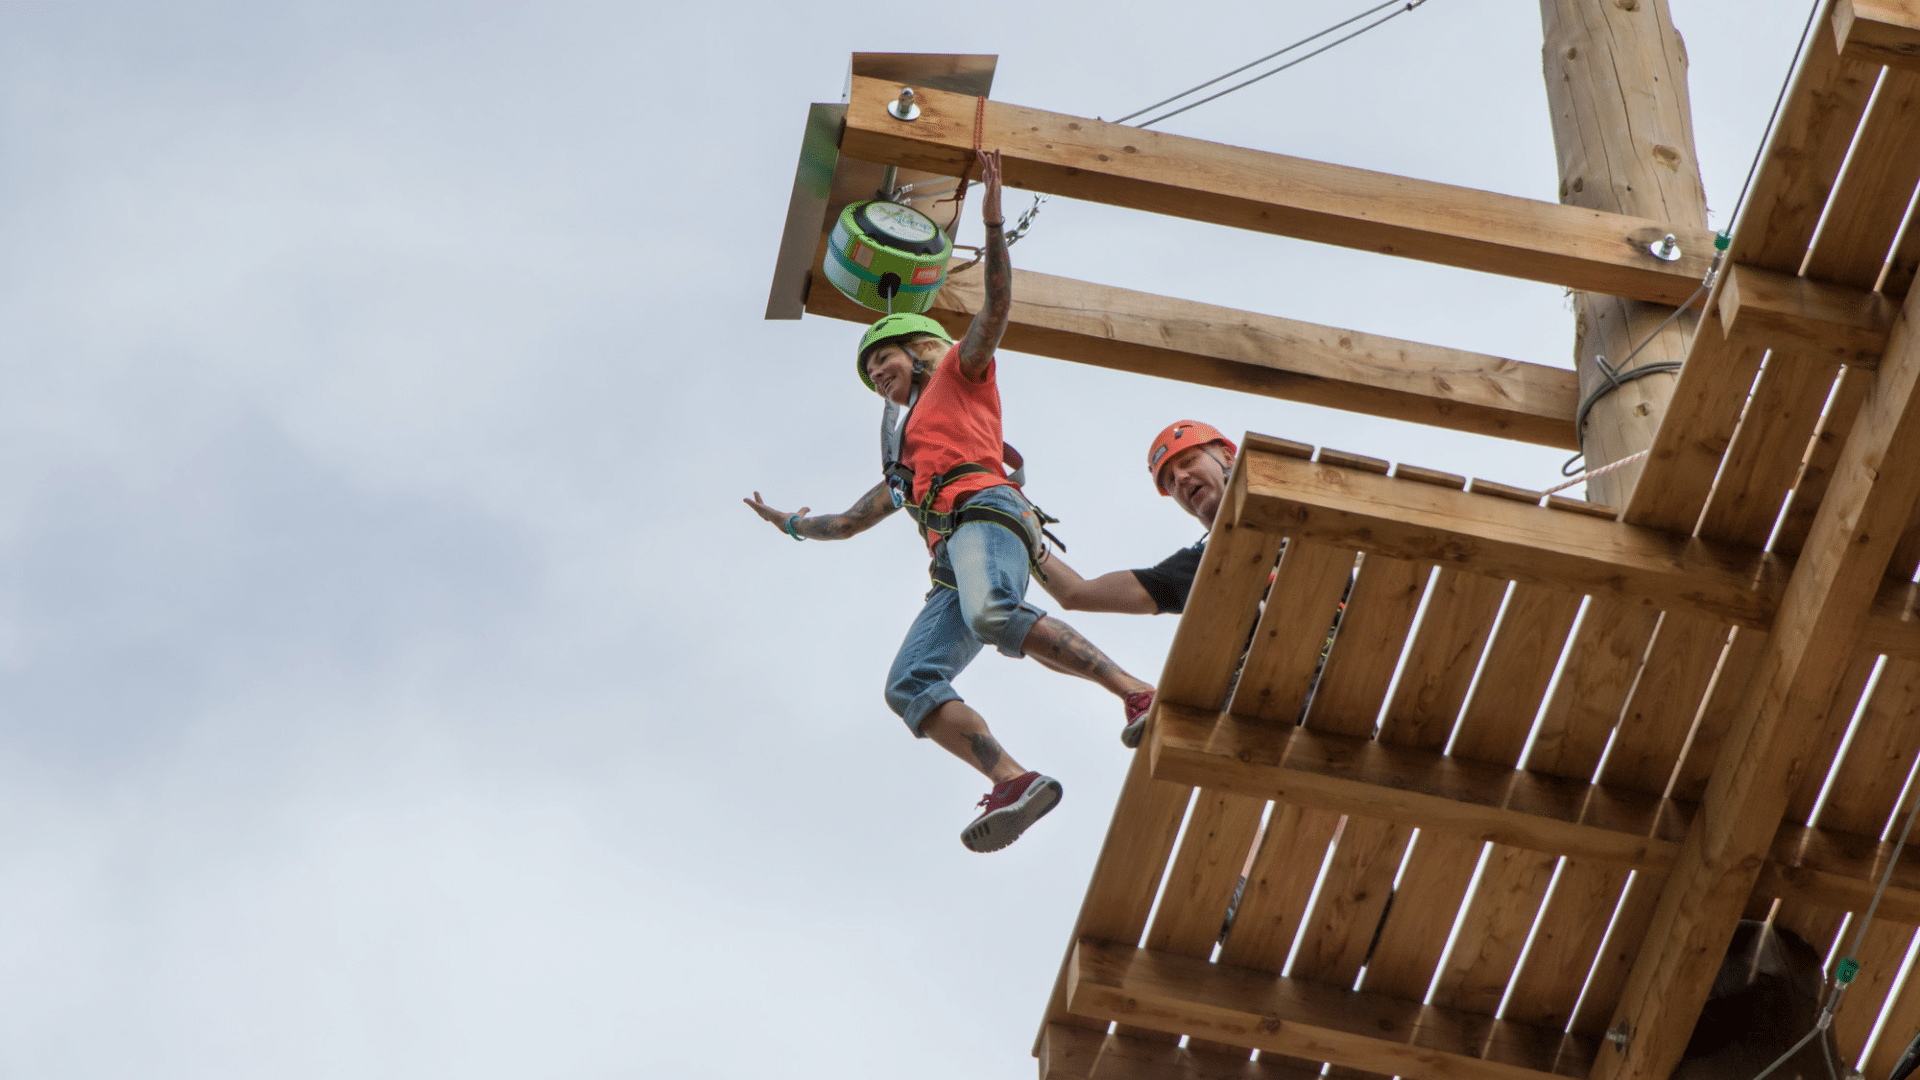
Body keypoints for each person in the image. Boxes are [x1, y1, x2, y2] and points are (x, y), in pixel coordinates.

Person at [744, 149, 1155, 854]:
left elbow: (996, 307)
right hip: (950, 560)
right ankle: (1014, 780)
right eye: (872, 369)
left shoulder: (957, 378)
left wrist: (994, 225)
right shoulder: (903, 461)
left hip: (987, 516)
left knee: (992, 610)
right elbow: (847, 522)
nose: (878, 373)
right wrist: (787, 523)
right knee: (909, 683)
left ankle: (1135, 691)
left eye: (886, 358)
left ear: (921, 348)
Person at [1034, 421, 1350, 744]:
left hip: (1326, 669)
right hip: (1251, 700)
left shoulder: (1293, 507)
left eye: (1188, 462)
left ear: (1228, 456)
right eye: (1170, 480)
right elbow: (1075, 593)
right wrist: (1028, 542)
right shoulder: (1196, 568)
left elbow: (1338, 494)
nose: (1181, 479)